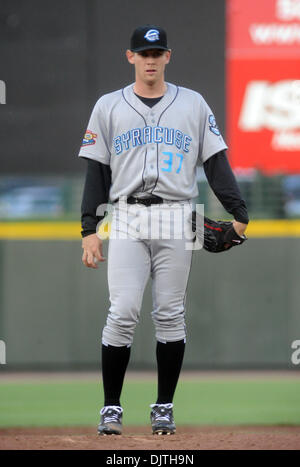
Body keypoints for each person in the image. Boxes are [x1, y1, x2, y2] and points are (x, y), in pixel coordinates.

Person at [78, 24, 249, 436]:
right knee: (122, 313)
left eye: (157, 53)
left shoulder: (192, 104)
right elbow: (97, 171)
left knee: (171, 315)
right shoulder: (108, 106)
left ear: (168, 56)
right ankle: (111, 407)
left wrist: (239, 212)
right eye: (143, 53)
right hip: (125, 217)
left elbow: (216, 162)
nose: (150, 60)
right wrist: (88, 229)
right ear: (130, 56)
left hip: (177, 215)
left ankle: (164, 407)